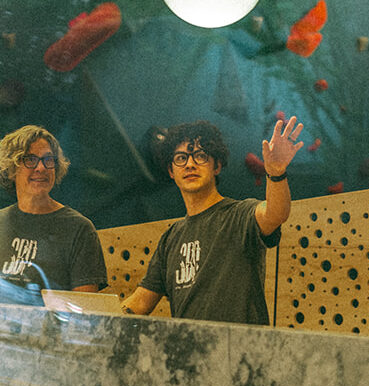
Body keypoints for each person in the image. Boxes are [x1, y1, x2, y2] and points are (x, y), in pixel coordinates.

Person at [121, 116, 304, 325]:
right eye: (181, 158)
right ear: (171, 171)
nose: (189, 164)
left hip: (241, 354)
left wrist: (276, 173)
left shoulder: (239, 215)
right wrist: (92, 321)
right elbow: (139, 303)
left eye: (199, 156)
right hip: (189, 354)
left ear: (216, 165)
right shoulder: (170, 238)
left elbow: (275, 213)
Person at [0, 125, 107, 300]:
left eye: (48, 160)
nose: (41, 168)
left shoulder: (79, 229)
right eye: (30, 160)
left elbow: (84, 311)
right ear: (11, 169)